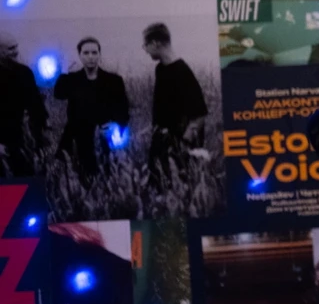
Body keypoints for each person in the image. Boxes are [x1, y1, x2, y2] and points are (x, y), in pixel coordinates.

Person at [52, 37, 130, 179]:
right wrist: (63, 70)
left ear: (99, 54)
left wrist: (115, 125)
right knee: (76, 176)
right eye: (86, 53)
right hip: (77, 137)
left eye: (94, 53)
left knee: (107, 177)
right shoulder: (73, 79)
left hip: (104, 137)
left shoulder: (114, 81)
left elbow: (123, 110)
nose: (90, 57)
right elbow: (59, 94)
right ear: (80, 55)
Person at [143, 22, 209, 184]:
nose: (145, 49)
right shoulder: (160, 69)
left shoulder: (183, 72)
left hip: (178, 147)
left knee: (178, 186)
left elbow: (199, 115)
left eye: (146, 45)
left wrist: (182, 146)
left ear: (155, 43)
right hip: (160, 142)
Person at [0, 32, 48, 177]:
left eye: (16, 47)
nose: (15, 51)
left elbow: (36, 107)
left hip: (18, 138)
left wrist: (40, 140)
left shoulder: (24, 73)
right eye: (10, 48)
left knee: (25, 179)